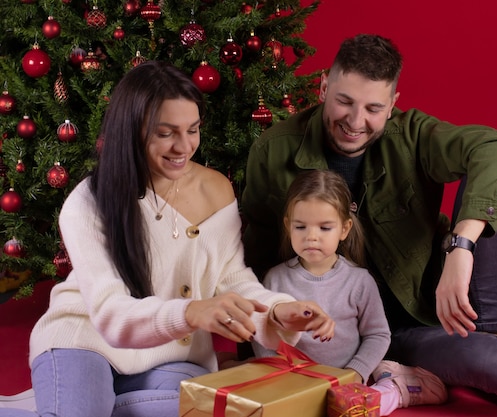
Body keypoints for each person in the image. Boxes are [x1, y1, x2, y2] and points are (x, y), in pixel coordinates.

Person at [241, 34, 497, 414]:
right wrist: (257, 356)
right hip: (364, 338)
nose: (356, 121)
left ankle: (485, 333)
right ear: (324, 86)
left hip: (434, 311)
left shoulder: (412, 135)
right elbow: (255, 262)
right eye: (344, 101)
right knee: (491, 365)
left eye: (373, 108)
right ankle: (480, 361)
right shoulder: (274, 150)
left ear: (393, 104)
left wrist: (461, 248)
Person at [0, 61, 335, 417]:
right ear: (132, 131)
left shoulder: (216, 189)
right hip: (84, 339)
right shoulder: (88, 201)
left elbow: (231, 279)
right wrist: (192, 311)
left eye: (193, 129)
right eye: (165, 133)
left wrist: (279, 312)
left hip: (175, 353)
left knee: (213, 412)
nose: (184, 146)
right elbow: (111, 314)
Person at [252, 169, 447, 415]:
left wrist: (355, 372)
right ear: (288, 226)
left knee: (356, 410)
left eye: (325, 228)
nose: (311, 237)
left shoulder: (359, 281)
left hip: (346, 383)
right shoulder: (275, 279)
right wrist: (276, 372)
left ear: (344, 229)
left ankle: (397, 389)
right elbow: (261, 331)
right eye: (301, 227)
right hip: (293, 384)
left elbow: (377, 335)